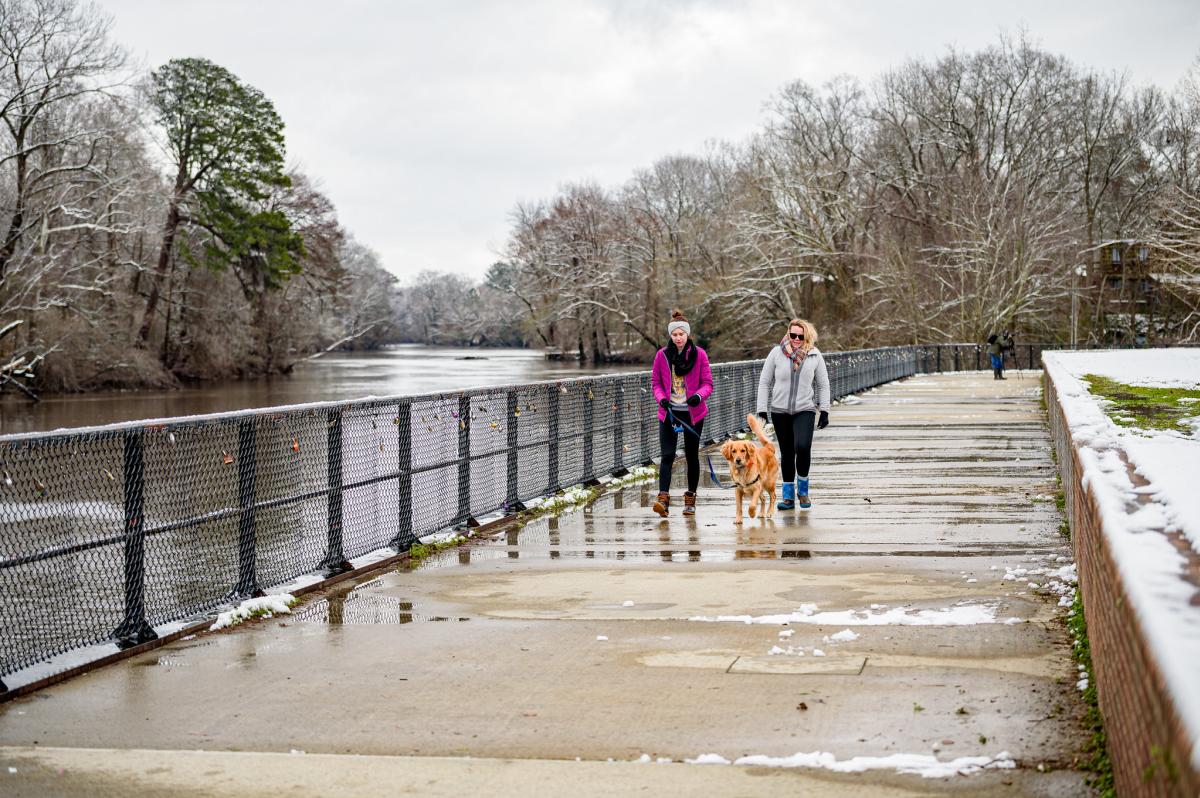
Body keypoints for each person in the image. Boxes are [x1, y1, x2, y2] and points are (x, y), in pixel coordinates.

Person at [756, 318, 830, 510]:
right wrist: (762, 409)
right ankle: (788, 497)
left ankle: (803, 492)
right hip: (780, 410)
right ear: (788, 334)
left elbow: (823, 384)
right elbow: (765, 381)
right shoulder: (776, 353)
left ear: (806, 335)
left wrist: (824, 410)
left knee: (802, 446)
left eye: (800, 335)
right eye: (793, 335)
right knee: (787, 452)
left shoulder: (814, 355)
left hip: (804, 409)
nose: (796, 339)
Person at [651, 309, 713, 518]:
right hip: (669, 412)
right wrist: (661, 398)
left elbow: (708, 384)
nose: (678, 338)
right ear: (670, 335)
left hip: (693, 414)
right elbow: (656, 383)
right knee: (667, 455)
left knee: (691, 455)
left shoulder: (699, 355)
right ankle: (663, 499)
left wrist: (698, 396)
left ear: (687, 335)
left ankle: (690, 498)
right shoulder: (662, 356)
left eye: (681, 334)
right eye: (675, 334)